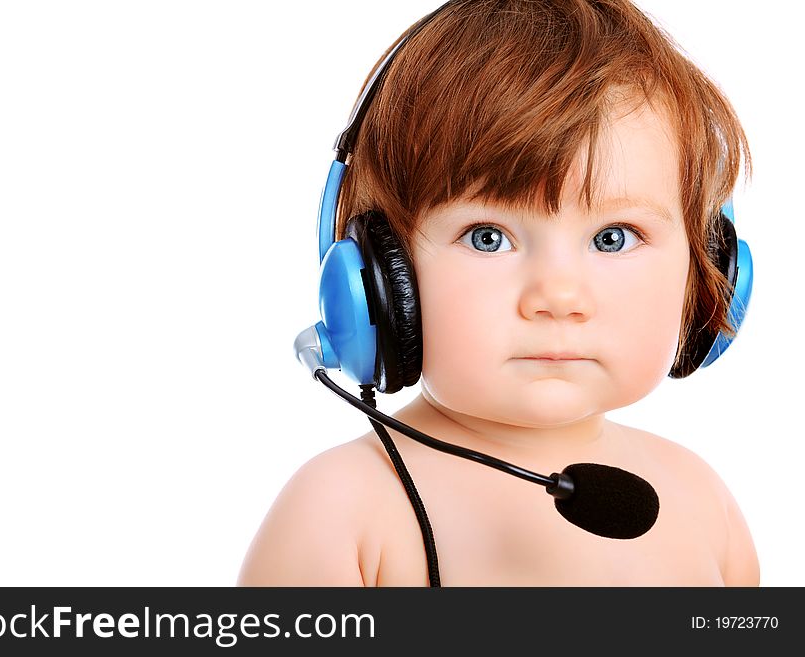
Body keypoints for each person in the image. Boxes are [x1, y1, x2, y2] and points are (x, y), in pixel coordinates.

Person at [238, 0, 759, 586]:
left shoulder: (701, 503)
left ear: (706, 273)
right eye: (489, 238)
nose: (558, 296)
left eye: (614, 238)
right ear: (379, 281)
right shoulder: (344, 512)